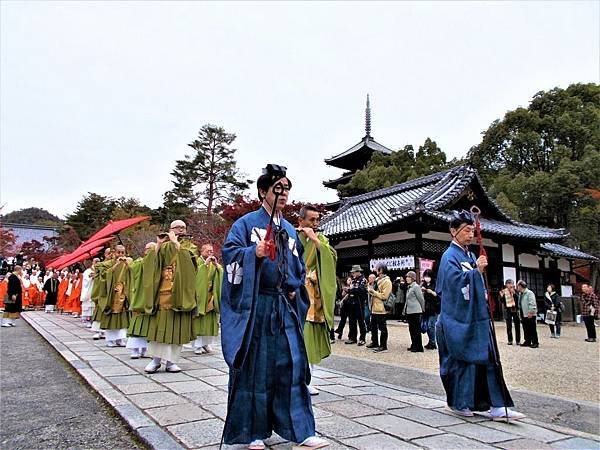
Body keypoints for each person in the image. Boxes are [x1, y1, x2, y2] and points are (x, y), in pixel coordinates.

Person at [220, 164, 327, 449]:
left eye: (287, 189)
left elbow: (300, 266)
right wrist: (251, 254)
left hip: (283, 305)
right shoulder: (244, 225)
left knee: (291, 365)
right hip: (257, 306)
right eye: (277, 189)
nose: (283, 194)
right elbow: (229, 256)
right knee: (256, 367)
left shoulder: (290, 229)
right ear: (262, 192)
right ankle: (253, 431)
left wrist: (294, 287)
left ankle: (301, 430)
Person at [436, 210, 524, 420]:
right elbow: (453, 284)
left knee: (488, 358)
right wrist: (475, 272)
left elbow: (473, 280)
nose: (470, 235)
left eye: (472, 231)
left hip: (477, 318)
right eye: (466, 230)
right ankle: (461, 402)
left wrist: (477, 273)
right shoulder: (449, 257)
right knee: (463, 362)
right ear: (453, 231)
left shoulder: (470, 255)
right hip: (458, 319)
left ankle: (497, 405)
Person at [144, 220, 197, 374]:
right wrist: (159, 244)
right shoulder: (164, 246)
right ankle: (155, 361)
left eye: (183, 227)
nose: (181, 230)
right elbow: (151, 265)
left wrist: (176, 244)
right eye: (177, 227)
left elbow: (192, 264)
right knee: (159, 326)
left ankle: (171, 362)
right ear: (170, 229)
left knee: (177, 327)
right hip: (163, 291)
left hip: (180, 293)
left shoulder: (190, 246)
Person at [298, 204, 337, 395]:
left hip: (314, 300)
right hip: (295, 297)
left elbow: (331, 259)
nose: (315, 223)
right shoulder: (292, 238)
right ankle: (296, 381)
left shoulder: (320, 239)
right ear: (301, 220)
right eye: (311, 220)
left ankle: (307, 380)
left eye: (317, 219)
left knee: (310, 343)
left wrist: (316, 242)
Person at [192, 243, 223, 355]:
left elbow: (220, 274)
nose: (210, 253)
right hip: (200, 294)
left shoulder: (213, 264)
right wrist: (205, 265)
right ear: (202, 251)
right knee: (199, 321)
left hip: (210, 295)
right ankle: (197, 345)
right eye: (208, 251)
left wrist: (217, 266)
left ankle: (206, 343)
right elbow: (195, 275)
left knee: (210, 321)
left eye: (211, 251)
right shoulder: (197, 261)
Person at [127, 243, 155, 359]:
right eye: (149, 249)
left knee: (149, 326)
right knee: (137, 325)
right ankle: (134, 350)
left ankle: (145, 349)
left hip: (152, 297)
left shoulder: (157, 263)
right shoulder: (139, 263)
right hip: (141, 296)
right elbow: (132, 270)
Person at [100, 245, 130, 347]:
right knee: (111, 316)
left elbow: (133, 273)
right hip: (111, 294)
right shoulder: (107, 264)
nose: (120, 255)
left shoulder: (127, 263)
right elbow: (102, 276)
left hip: (123, 293)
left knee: (122, 317)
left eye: (123, 252)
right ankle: (110, 339)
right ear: (114, 253)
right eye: (119, 252)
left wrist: (128, 265)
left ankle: (120, 339)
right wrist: (115, 266)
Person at [367, 264, 392, 353]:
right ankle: (374, 342)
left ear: (381, 270)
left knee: (382, 327)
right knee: (373, 326)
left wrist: (373, 292)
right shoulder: (377, 280)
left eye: (377, 268)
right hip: (374, 307)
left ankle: (383, 345)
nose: (375, 270)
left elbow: (385, 296)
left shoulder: (387, 281)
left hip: (381, 308)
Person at [345, 265, 367, 346]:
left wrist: (350, 290)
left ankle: (362, 338)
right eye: (352, 272)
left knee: (361, 321)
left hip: (359, 302)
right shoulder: (353, 280)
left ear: (358, 272)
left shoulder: (363, 280)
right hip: (351, 302)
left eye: (354, 272)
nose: (353, 274)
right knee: (351, 321)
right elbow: (351, 289)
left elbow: (360, 290)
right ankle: (352, 337)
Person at [404, 271, 425, 352]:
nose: (407, 278)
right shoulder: (409, 287)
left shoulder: (416, 287)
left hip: (416, 311)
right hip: (410, 311)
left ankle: (418, 346)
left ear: (412, 278)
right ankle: (413, 344)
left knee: (416, 330)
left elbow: (421, 299)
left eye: (408, 277)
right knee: (411, 329)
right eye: (407, 277)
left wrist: (422, 309)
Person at [516, 280, 538, 348]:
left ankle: (535, 342)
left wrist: (531, 312)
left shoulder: (529, 293)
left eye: (517, 286)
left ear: (520, 286)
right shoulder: (520, 294)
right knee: (525, 328)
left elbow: (532, 303)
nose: (517, 287)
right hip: (523, 313)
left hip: (529, 313)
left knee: (532, 328)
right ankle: (527, 341)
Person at [421, 269, 439, 350]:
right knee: (427, 326)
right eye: (425, 276)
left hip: (434, 307)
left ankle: (433, 342)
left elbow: (438, 295)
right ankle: (430, 341)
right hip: (426, 308)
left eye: (428, 276)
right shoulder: (423, 284)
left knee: (431, 325)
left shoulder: (436, 284)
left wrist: (431, 292)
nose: (426, 278)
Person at [499, 279, 521, 345]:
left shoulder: (516, 291)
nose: (511, 285)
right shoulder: (503, 291)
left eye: (512, 284)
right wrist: (502, 296)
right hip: (507, 310)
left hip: (515, 309)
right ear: (506, 285)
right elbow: (502, 301)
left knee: (517, 325)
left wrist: (514, 294)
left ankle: (518, 340)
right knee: (509, 326)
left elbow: (518, 300)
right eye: (510, 284)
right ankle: (510, 340)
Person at [80, 259, 99, 327]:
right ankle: (88, 319)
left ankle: (94, 320)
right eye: (95, 261)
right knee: (88, 304)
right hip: (89, 289)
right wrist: (90, 277)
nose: (97, 263)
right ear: (93, 262)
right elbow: (85, 280)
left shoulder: (100, 269)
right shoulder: (88, 271)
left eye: (98, 261)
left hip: (97, 289)